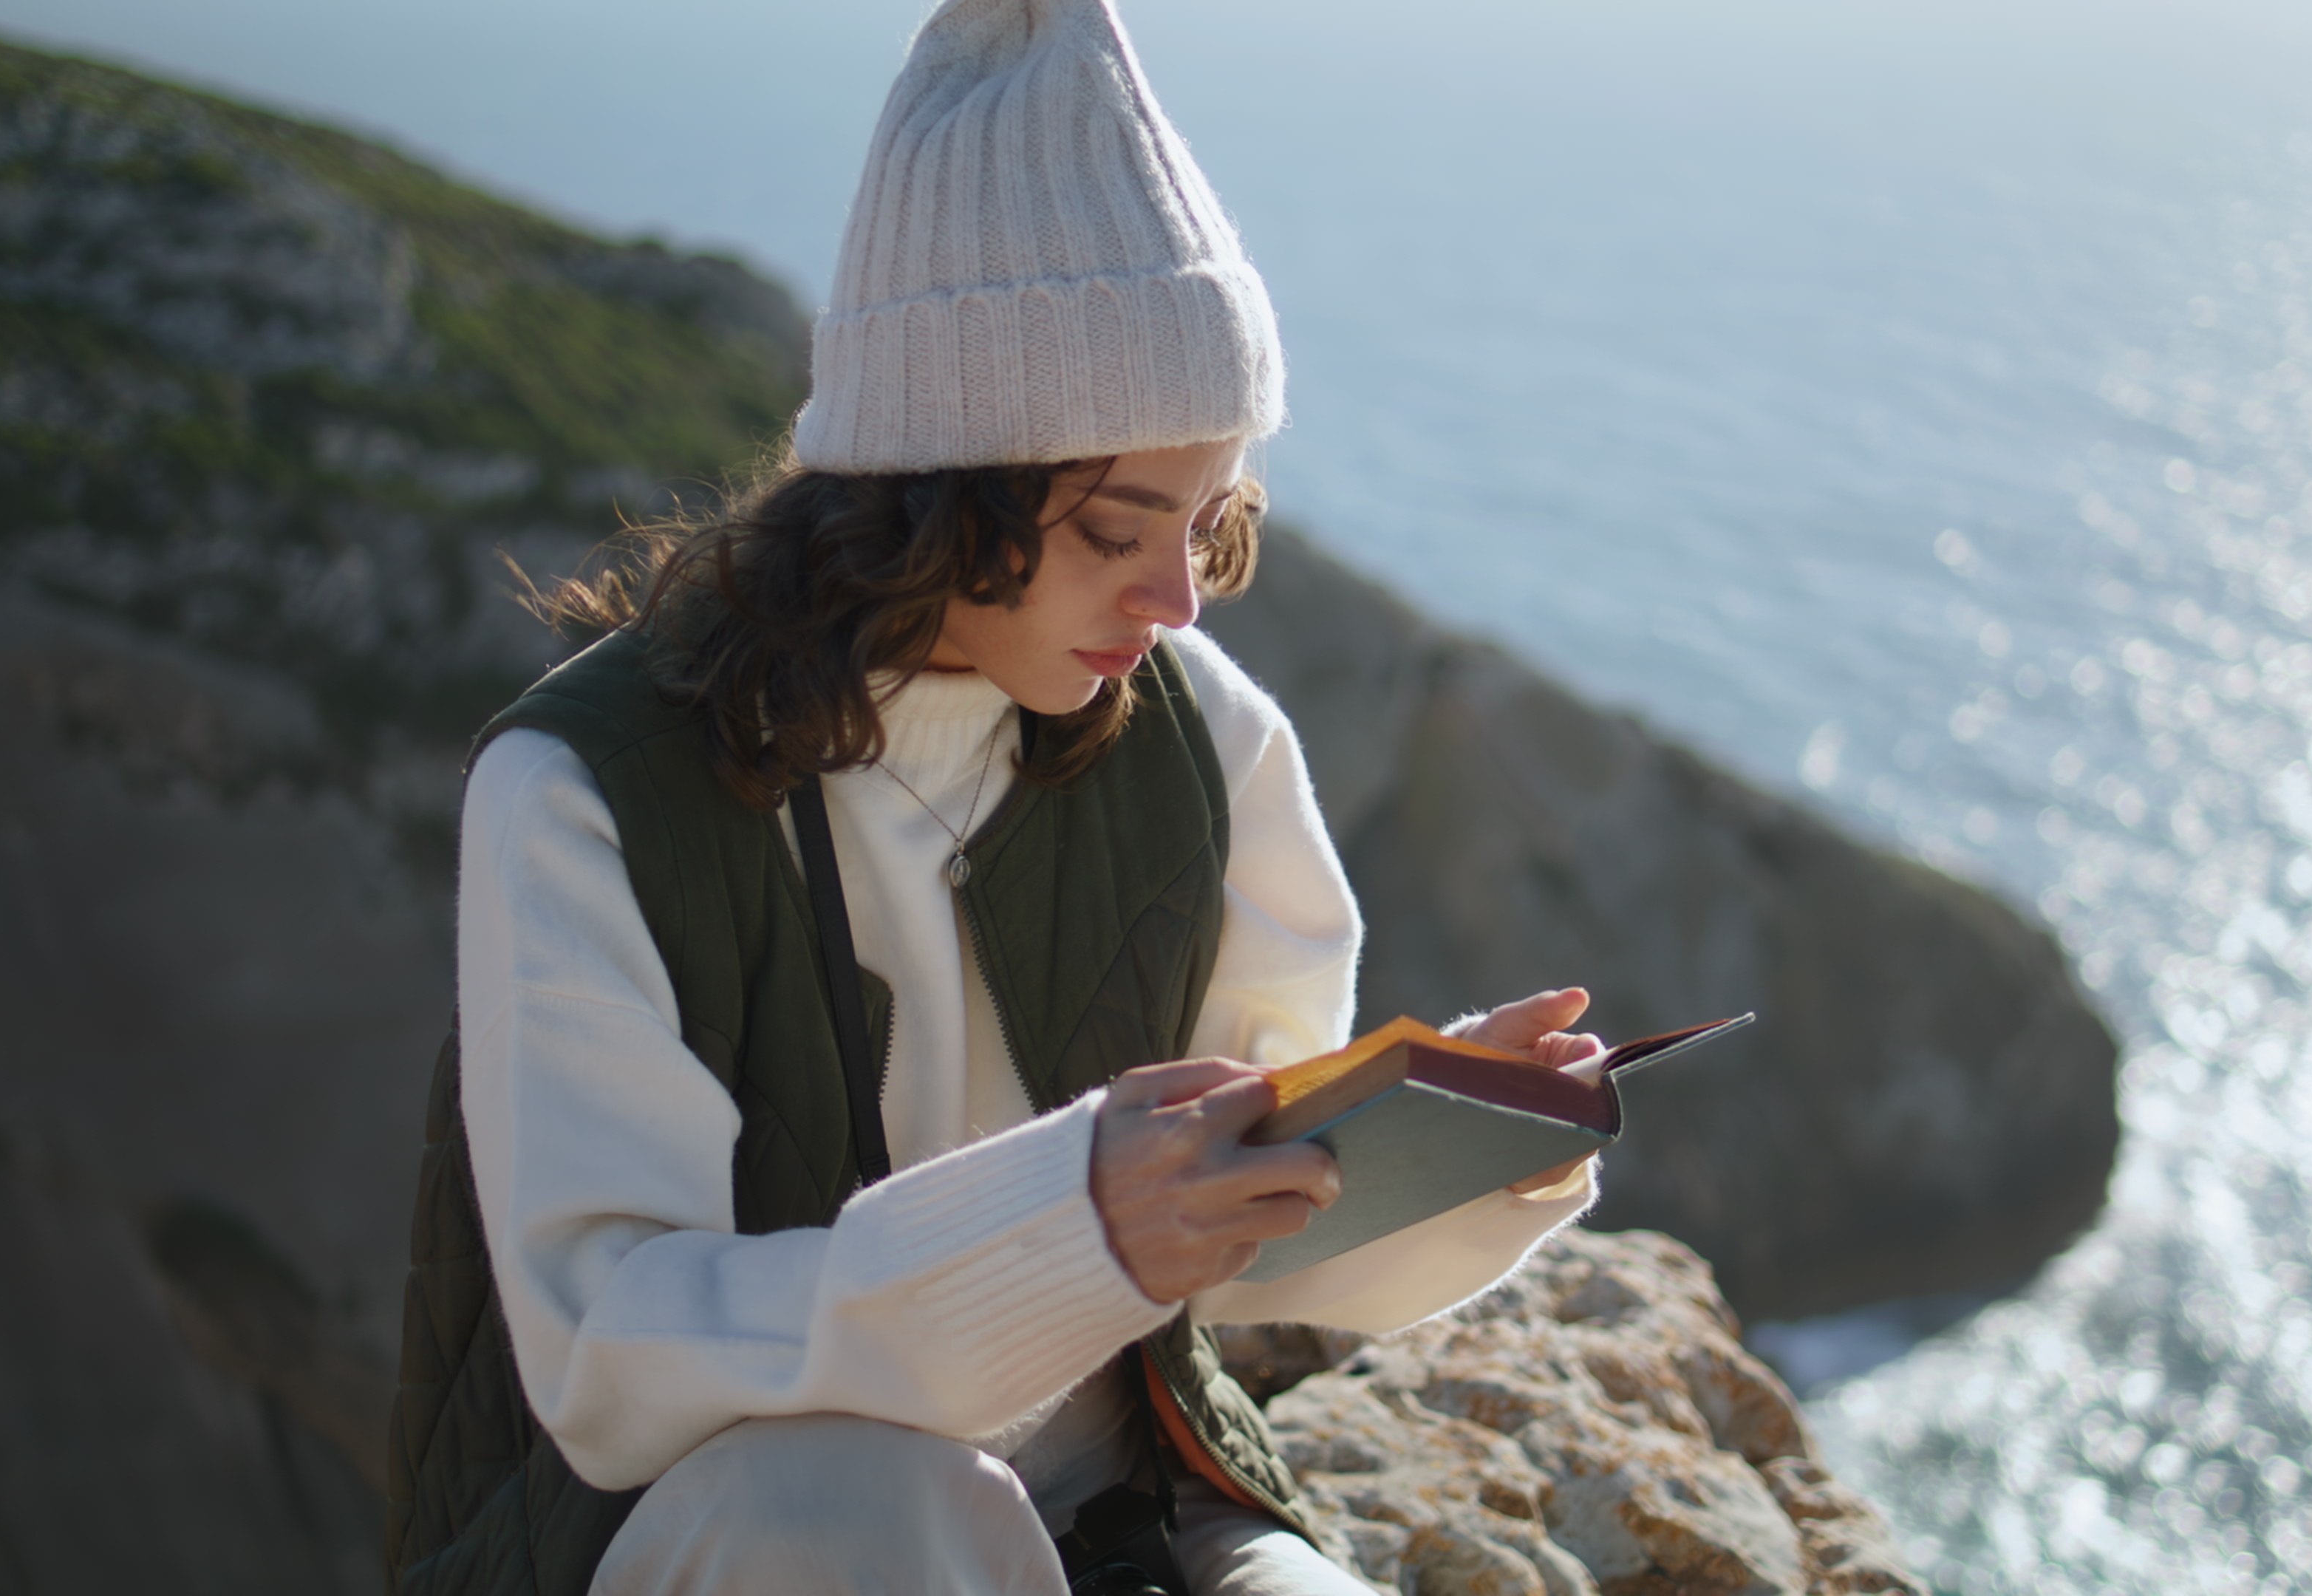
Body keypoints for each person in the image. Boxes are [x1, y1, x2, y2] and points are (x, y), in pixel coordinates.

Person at [387, 1, 1609, 1592]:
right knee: (892, 1530)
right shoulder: (585, 791)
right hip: (722, 1539)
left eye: (1212, 520)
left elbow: (1240, 1245)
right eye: (1120, 529)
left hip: (1126, 1520)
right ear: (934, 488)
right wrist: (1062, 1227)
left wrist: (1464, 1148)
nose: (1180, 597)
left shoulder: (1205, 740)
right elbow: (615, 1365)